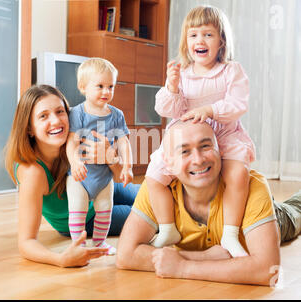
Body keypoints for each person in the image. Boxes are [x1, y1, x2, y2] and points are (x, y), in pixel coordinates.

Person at [116, 120, 301, 286]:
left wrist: (182, 267)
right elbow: (125, 255)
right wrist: (202, 257)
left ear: (220, 150)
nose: (198, 160)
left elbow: (267, 270)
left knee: (297, 208)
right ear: (168, 163)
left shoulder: (253, 187)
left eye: (205, 146)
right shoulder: (156, 189)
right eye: (185, 151)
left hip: (278, 217)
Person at [145, 5, 255, 258]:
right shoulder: (182, 74)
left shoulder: (231, 70)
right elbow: (166, 109)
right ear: (186, 41)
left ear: (221, 41)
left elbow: (239, 104)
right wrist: (172, 87)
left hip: (223, 133)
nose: (200, 40)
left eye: (207, 34)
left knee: (238, 173)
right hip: (186, 137)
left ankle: (229, 233)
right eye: (193, 35)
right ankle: (167, 228)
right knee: (154, 176)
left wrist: (210, 110)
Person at [4, 84, 139, 268]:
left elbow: (119, 179)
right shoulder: (32, 172)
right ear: (29, 128)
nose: (56, 121)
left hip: (105, 188)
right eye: (43, 116)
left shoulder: (76, 140)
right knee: (150, 216)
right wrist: (61, 260)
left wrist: (111, 159)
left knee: (153, 193)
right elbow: (26, 242)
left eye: (60, 111)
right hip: (87, 218)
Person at [66, 58, 133, 255]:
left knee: (105, 209)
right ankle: (77, 244)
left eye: (111, 86)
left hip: (104, 177)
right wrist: (75, 161)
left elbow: (123, 142)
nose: (106, 92)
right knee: (77, 210)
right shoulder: (77, 113)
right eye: (100, 86)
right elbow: (72, 142)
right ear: (83, 87)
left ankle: (99, 243)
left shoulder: (116, 115)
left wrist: (128, 166)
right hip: (80, 176)